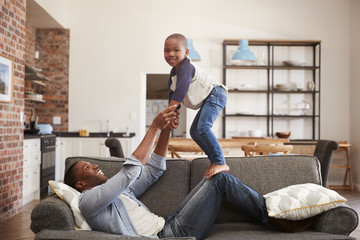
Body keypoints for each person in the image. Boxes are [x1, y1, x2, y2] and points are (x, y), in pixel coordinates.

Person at [64, 105, 273, 240]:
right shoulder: (88, 201)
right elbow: (129, 172)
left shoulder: (121, 193)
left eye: (91, 164)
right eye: (86, 168)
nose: (93, 166)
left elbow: (154, 169)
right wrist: (154, 126)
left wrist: (166, 129)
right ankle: (272, 215)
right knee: (220, 180)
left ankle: (271, 211)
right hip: (171, 235)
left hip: (171, 222)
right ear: (80, 185)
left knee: (217, 176)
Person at [164, 33, 229, 179]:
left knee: (203, 128)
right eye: (167, 50)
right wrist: (174, 115)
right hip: (209, 98)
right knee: (194, 131)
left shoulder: (186, 66)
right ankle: (214, 160)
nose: (170, 54)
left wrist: (170, 112)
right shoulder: (173, 75)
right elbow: (172, 94)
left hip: (216, 94)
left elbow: (181, 89)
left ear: (186, 52)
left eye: (176, 50)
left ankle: (220, 161)